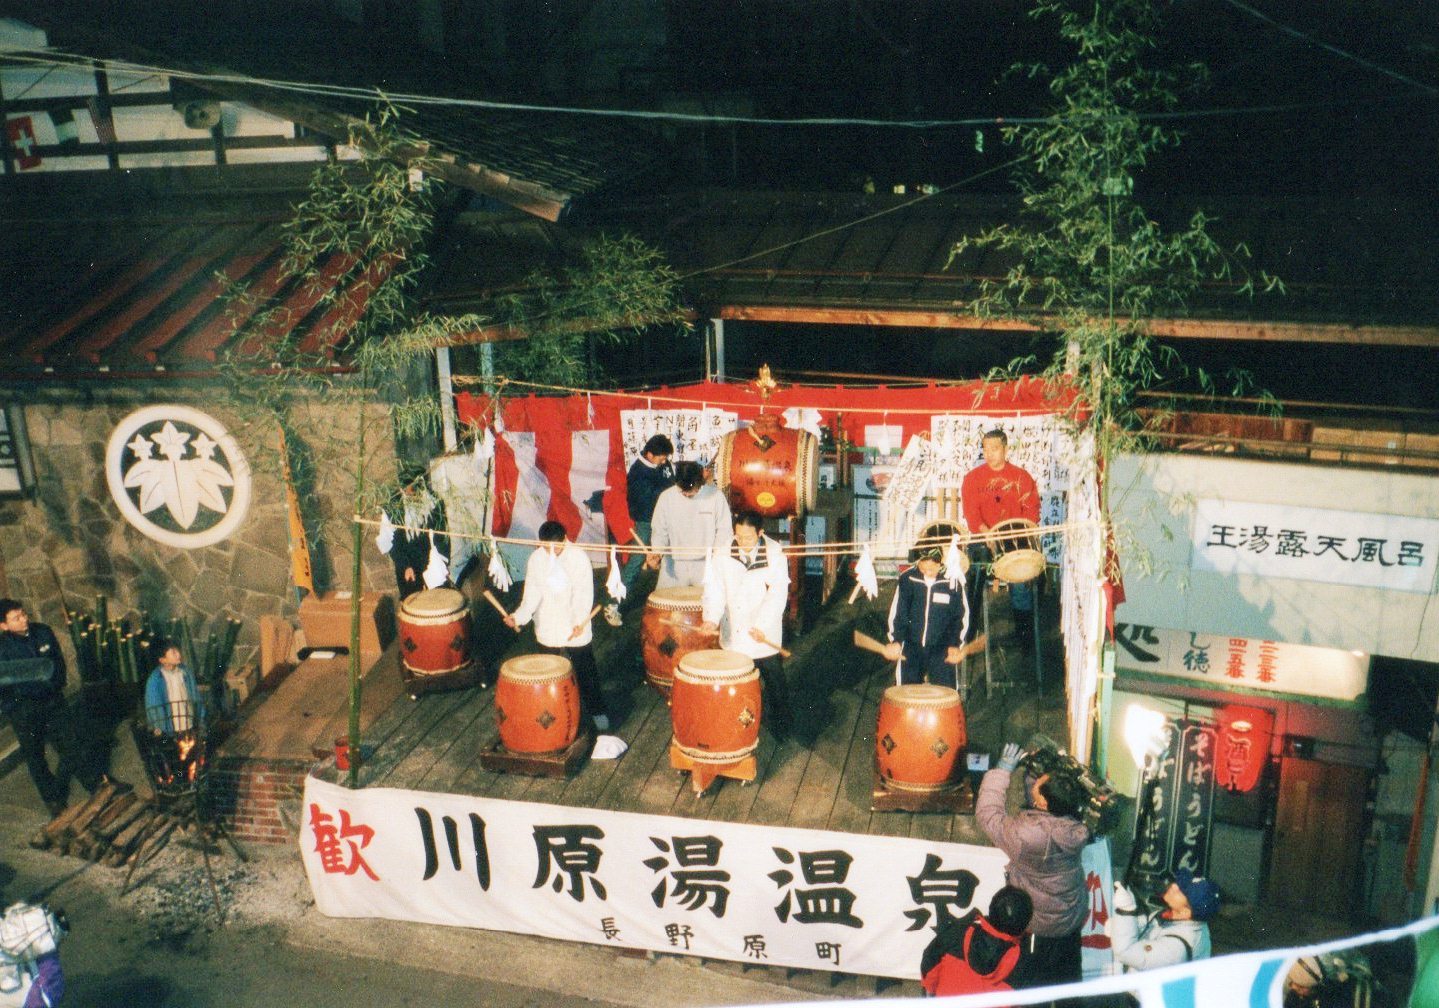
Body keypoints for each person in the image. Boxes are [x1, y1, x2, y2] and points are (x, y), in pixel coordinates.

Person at [976, 742, 1091, 990]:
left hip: (1037, 926)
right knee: (1068, 988)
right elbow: (1047, 798)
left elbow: (988, 815)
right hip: (1069, 920)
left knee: (1032, 991)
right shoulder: (1076, 825)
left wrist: (1001, 772)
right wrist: (1038, 770)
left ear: (1042, 804)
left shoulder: (1027, 838)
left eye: (1037, 787)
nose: (1034, 786)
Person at [505, 521, 612, 732]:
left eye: (556, 546)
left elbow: (583, 593)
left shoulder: (578, 557)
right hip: (548, 621)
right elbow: (532, 593)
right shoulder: (537, 559)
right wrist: (519, 617)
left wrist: (579, 621)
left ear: (564, 539)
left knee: (585, 670)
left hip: (574, 622)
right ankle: (551, 716)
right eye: (546, 547)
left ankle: (597, 710)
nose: (551, 551)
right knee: (548, 672)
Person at [0, 599, 101, 818]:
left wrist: (54, 686)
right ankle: (53, 799)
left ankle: (96, 785)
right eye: (16, 618)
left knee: (71, 744)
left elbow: (58, 663)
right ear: (3, 626)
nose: (24, 619)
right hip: (23, 710)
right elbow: (8, 685)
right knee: (36, 756)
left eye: (24, 614)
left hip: (53, 701)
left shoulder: (43, 632)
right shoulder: (2, 649)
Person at [700, 509, 793, 740]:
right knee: (734, 683)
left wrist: (763, 624)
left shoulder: (774, 553)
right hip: (736, 630)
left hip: (763, 632)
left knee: (775, 683)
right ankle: (734, 728)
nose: (742, 542)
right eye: (738, 536)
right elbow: (715, 588)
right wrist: (711, 617)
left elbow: (778, 593)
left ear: (760, 533)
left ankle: (781, 727)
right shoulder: (723, 553)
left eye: (748, 538)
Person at [961, 429, 1040, 646]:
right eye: (985, 449)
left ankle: (1024, 636)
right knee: (975, 571)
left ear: (1005, 449)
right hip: (983, 535)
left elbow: (1031, 512)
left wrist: (1015, 535)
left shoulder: (1021, 477)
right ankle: (968, 631)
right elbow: (971, 513)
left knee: (1022, 578)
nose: (989, 454)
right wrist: (986, 533)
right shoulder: (972, 478)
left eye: (994, 449)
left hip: (1014, 535)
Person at [884, 527, 971, 690]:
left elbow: (960, 616)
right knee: (905, 691)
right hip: (911, 645)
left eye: (931, 569)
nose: (926, 573)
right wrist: (896, 641)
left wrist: (955, 644)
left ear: (941, 563)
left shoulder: (952, 582)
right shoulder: (908, 579)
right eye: (923, 569)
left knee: (946, 692)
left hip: (941, 646)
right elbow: (899, 613)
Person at [605, 434, 675, 627]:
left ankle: (672, 603)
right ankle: (613, 605)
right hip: (646, 522)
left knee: (672, 558)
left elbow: (669, 484)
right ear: (650, 454)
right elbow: (649, 500)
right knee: (636, 561)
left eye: (666, 457)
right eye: (662, 457)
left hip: (665, 519)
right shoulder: (637, 472)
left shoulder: (663, 465)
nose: (665, 461)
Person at [921, 885, 1035, 997]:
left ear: (991, 909)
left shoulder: (957, 934)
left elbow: (929, 968)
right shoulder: (1024, 963)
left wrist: (931, 994)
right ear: (1024, 924)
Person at [645, 460, 732, 589]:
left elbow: (724, 530)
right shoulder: (666, 497)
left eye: (691, 490)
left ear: (700, 481)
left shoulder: (716, 496)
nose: (686, 494)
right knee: (666, 604)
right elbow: (659, 531)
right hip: (674, 563)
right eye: (682, 491)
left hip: (707, 562)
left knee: (713, 603)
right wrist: (657, 552)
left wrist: (717, 557)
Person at [1108, 869, 1217, 972]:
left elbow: (1125, 953)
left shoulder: (1176, 949)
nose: (1174, 886)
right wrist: (1122, 924)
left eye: (1181, 891)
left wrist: (1126, 911)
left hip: (1141, 991)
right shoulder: (1178, 916)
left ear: (1185, 912)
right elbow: (1148, 928)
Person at [385, 473, 448, 601]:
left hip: (431, 560)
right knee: (412, 602)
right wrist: (405, 566)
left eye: (413, 491)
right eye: (406, 491)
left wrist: (440, 565)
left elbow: (442, 539)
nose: (410, 495)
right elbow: (391, 543)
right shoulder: (393, 508)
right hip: (407, 563)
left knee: (435, 601)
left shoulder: (434, 504)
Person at [143, 640, 207, 736]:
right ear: (162, 660)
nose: (178, 655)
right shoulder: (155, 680)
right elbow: (153, 704)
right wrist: (158, 726)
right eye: (173, 652)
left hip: (187, 719)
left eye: (178, 651)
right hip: (170, 725)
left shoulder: (185, 672)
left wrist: (200, 716)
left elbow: (195, 695)